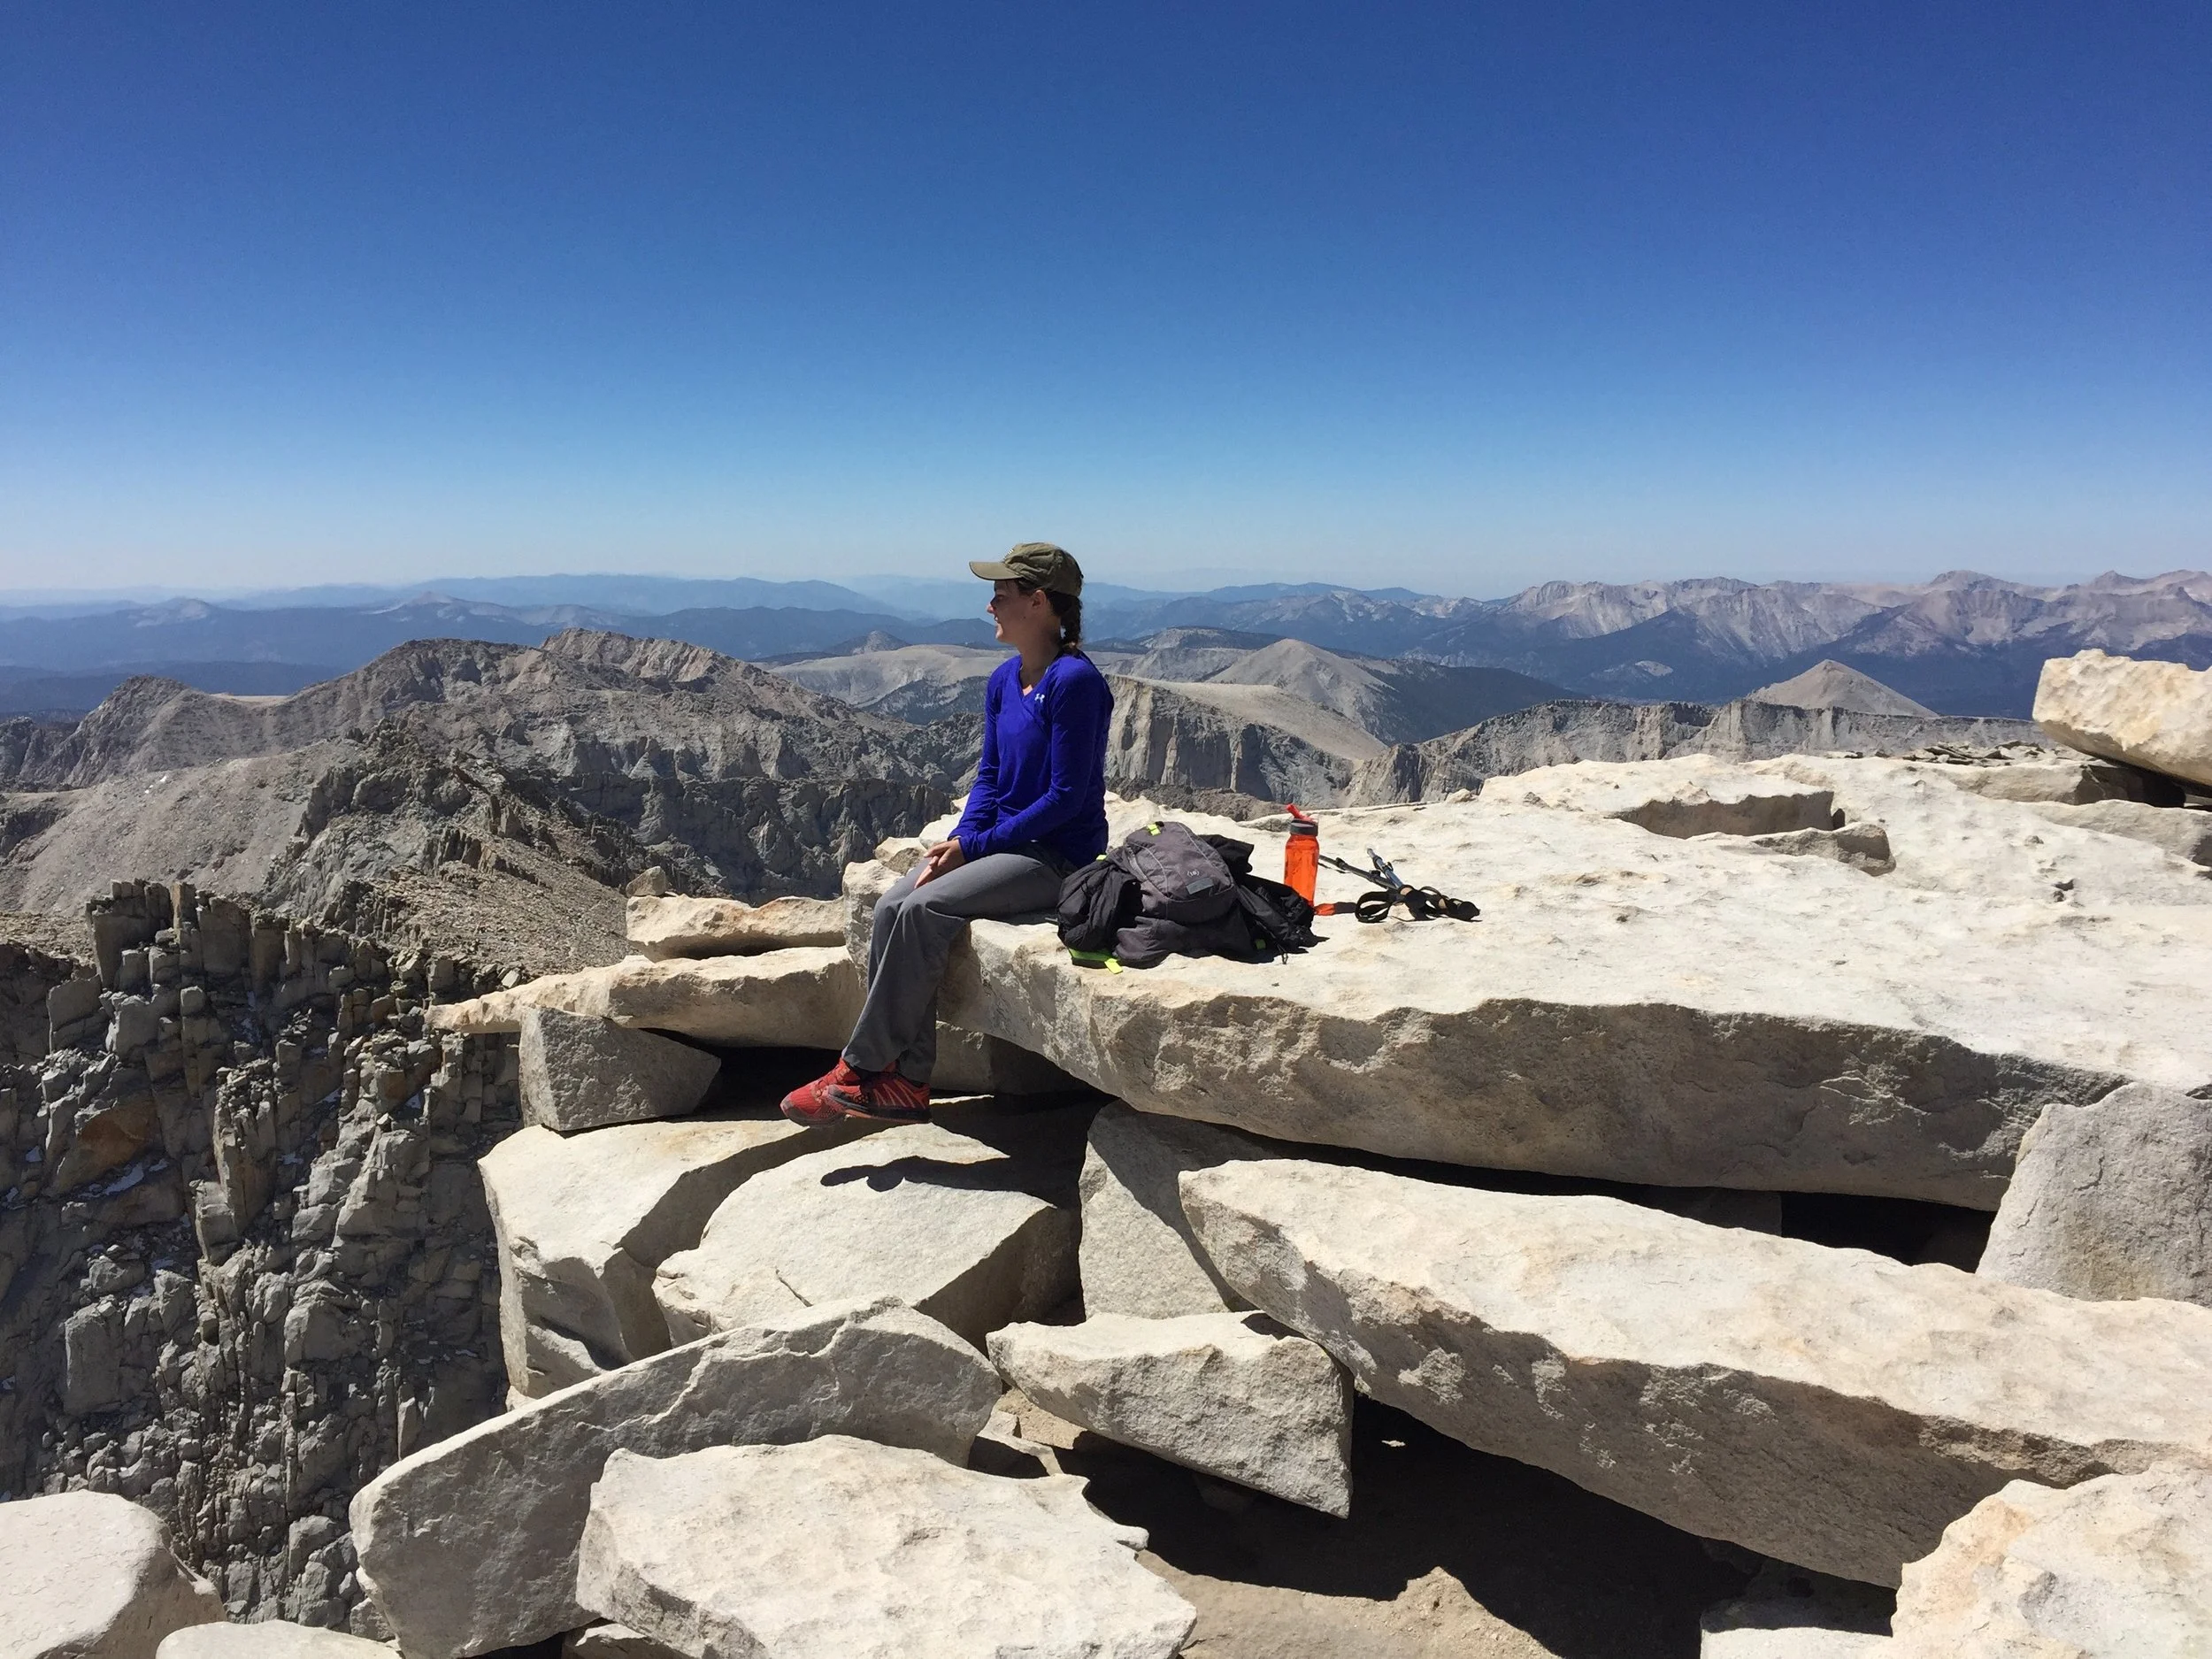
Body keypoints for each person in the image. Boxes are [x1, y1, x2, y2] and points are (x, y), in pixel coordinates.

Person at [781, 541, 1113, 1124]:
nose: (990, 605)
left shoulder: (1075, 683)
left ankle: (861, 1069)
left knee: (923, 911)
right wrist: (959, 842)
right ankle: (908, 1082)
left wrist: (977, 847)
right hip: (1004, 844)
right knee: (891, 906)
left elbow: (1066, 799)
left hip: (1055, 855)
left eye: (1002, 595)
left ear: (1037, 603)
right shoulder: (1004, 681)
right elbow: (989, 778)